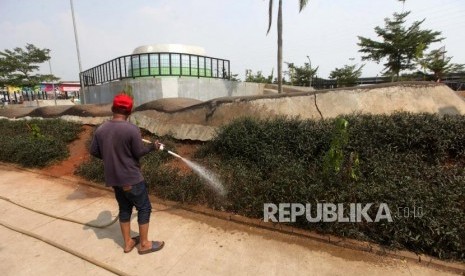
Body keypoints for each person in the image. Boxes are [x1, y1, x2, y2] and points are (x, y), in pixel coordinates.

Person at [90, 93, 165, 254]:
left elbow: (94, 151)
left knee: (124, 209)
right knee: (144, 208)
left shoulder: (101, 129)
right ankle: (144, 244)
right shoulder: (131, 129)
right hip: (131, 178)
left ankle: (128, 242)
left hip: (114, 180)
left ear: (112, 109)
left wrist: (110, 157)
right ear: (129, 111)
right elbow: (138, 152)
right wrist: (153, 147)